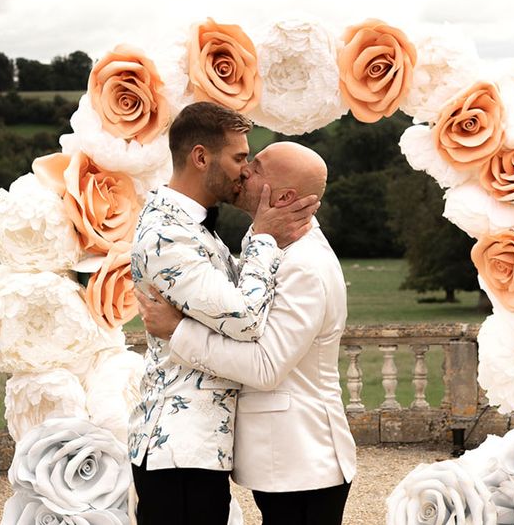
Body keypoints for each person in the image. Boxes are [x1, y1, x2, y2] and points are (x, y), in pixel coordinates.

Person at [138, 141, 357, 525]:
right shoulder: (277, 251)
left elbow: (266, 366)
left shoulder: (305, 265)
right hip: (284, 461)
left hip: (304, 459)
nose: (243, 172)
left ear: (285, 196)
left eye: (255, 168)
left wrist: (178, 331)